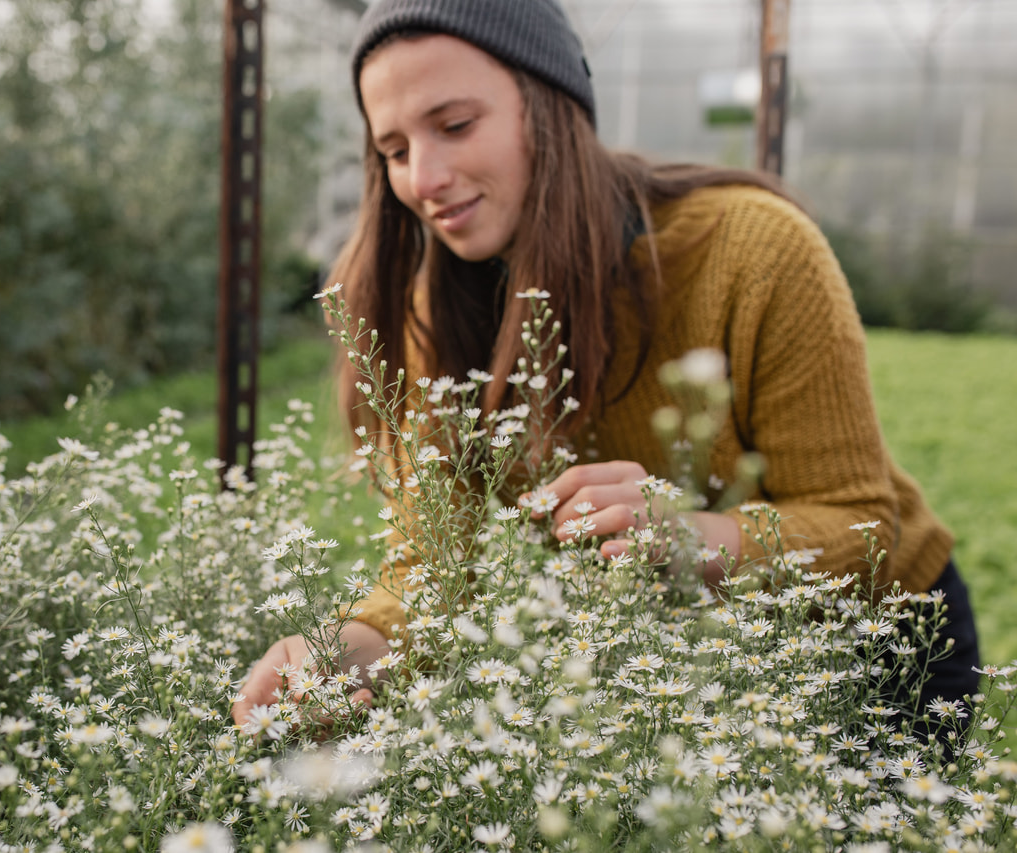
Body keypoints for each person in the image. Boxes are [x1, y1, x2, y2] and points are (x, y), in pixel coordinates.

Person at [231, 0, 979, 731]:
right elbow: (433, 570)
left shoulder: (750, 250)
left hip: (887, 646)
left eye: (455, 125)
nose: (423, 178)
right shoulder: (437, 312)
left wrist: (691, 538)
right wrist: (342, 653)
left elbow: (859, 524)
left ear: (551, 106)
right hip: (683, 670)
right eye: (394, 151)